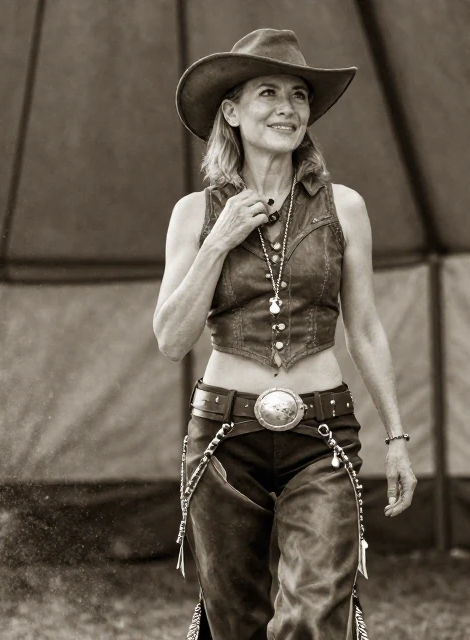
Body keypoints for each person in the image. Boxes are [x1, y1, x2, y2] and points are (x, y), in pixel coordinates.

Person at [154, 28, 416, 640]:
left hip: (321, 431)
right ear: (232, 112)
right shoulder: (193, 214)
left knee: (315, 613)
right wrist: (218, 240)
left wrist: (397, 436)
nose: (287, 108)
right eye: (267, 92)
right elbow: (171, 339)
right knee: (234, 620)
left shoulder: (344, 207)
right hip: (222, 434)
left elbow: (367, 329)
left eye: (299, 96)